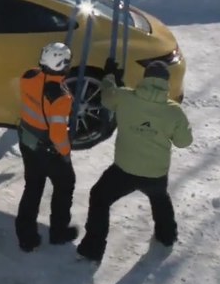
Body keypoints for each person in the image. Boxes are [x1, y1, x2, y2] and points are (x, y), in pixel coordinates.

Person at [76, 58, 192, 263]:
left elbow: (107, 97)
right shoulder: (173, 111)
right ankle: (167, 235)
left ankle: (92, 249)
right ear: (166, 82)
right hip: (155, 173)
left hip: (124, 171)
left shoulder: (125, 97)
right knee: (159, 198)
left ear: (145, 78)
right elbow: (184, 142)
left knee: (99, 198)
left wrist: (110, 76)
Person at [14, 41, 79, 252]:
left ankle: (26, 236)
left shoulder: (28, 76)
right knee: (65, 185)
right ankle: (59, 232)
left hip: (26, 140)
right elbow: (58, 133)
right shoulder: (60, 98)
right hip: (47, 150)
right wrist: (65, 153)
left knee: (32, 187)